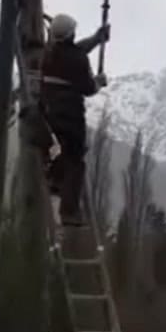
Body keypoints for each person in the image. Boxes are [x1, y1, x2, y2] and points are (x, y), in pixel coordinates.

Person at [39, 13, 109, 225]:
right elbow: (88, 88)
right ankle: (69, 212)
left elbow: (75, 50)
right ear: (71, 34)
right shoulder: (78, 59)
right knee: (75, 160)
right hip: (71, 115)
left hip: (47, 112)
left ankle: (55, 181)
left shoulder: (47, 54)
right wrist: (99, 82)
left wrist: (96, 39)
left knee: (60, 150)